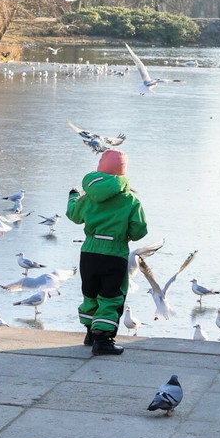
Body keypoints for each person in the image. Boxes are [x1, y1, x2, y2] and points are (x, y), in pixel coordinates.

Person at [66, 149, 147, 356]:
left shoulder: (89, 197)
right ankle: (103, 340)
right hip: (115, 253)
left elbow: (74, 215)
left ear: (100, 170)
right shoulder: (130, 200)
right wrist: (123, 233)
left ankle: (90, 333)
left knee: (90, 293)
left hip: (89, 253)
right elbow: (139, 230)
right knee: (111, 296)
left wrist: (73, 197)